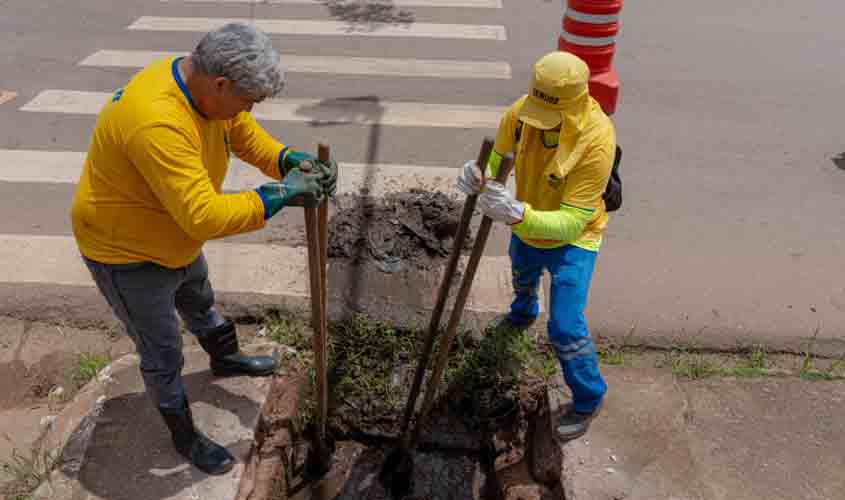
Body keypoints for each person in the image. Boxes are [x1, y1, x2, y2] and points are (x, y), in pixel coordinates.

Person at [70, 23, 337, 475]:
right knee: (162, 349)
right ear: (220, 84)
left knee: (199, 299)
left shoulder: (204, 92)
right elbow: (204, 216)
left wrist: (288, 159)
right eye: (247, 100)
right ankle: (184, 436)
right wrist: (280, 194)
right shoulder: (157, 119)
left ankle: (225, 358)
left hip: (171, 233)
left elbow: (242, 133)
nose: (248, 109)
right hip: (126, 252)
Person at [457, 51, 615, 441]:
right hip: (526, 224)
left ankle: (588, 397)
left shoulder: (596, 141)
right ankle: (523, 310)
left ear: (574, 107)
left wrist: (515, 213)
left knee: (564, 326)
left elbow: (572, 222)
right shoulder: (520, 113)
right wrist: (481, 175)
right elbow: (499, 159)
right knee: (522, 272)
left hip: (575, 239)